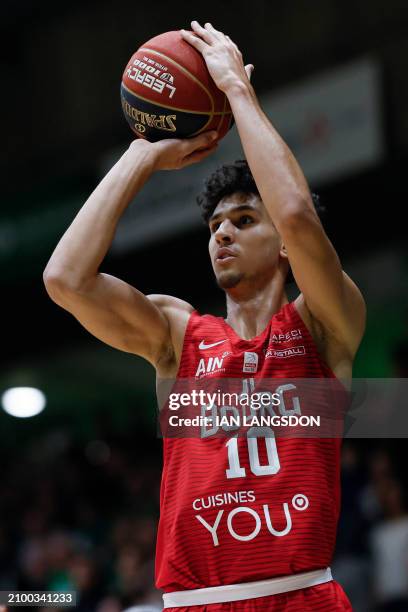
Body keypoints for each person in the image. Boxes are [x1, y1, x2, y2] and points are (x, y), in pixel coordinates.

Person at [43, 20, 366, 611]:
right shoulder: (176, 336)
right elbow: (66, 279)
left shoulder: (322, 325)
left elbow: (294, 211)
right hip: (197, 602)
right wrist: (142, 154)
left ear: (286, 249)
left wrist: (237, 93)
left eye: (243, 221)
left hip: (299, 595)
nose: (222, 235)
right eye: (214, 226)